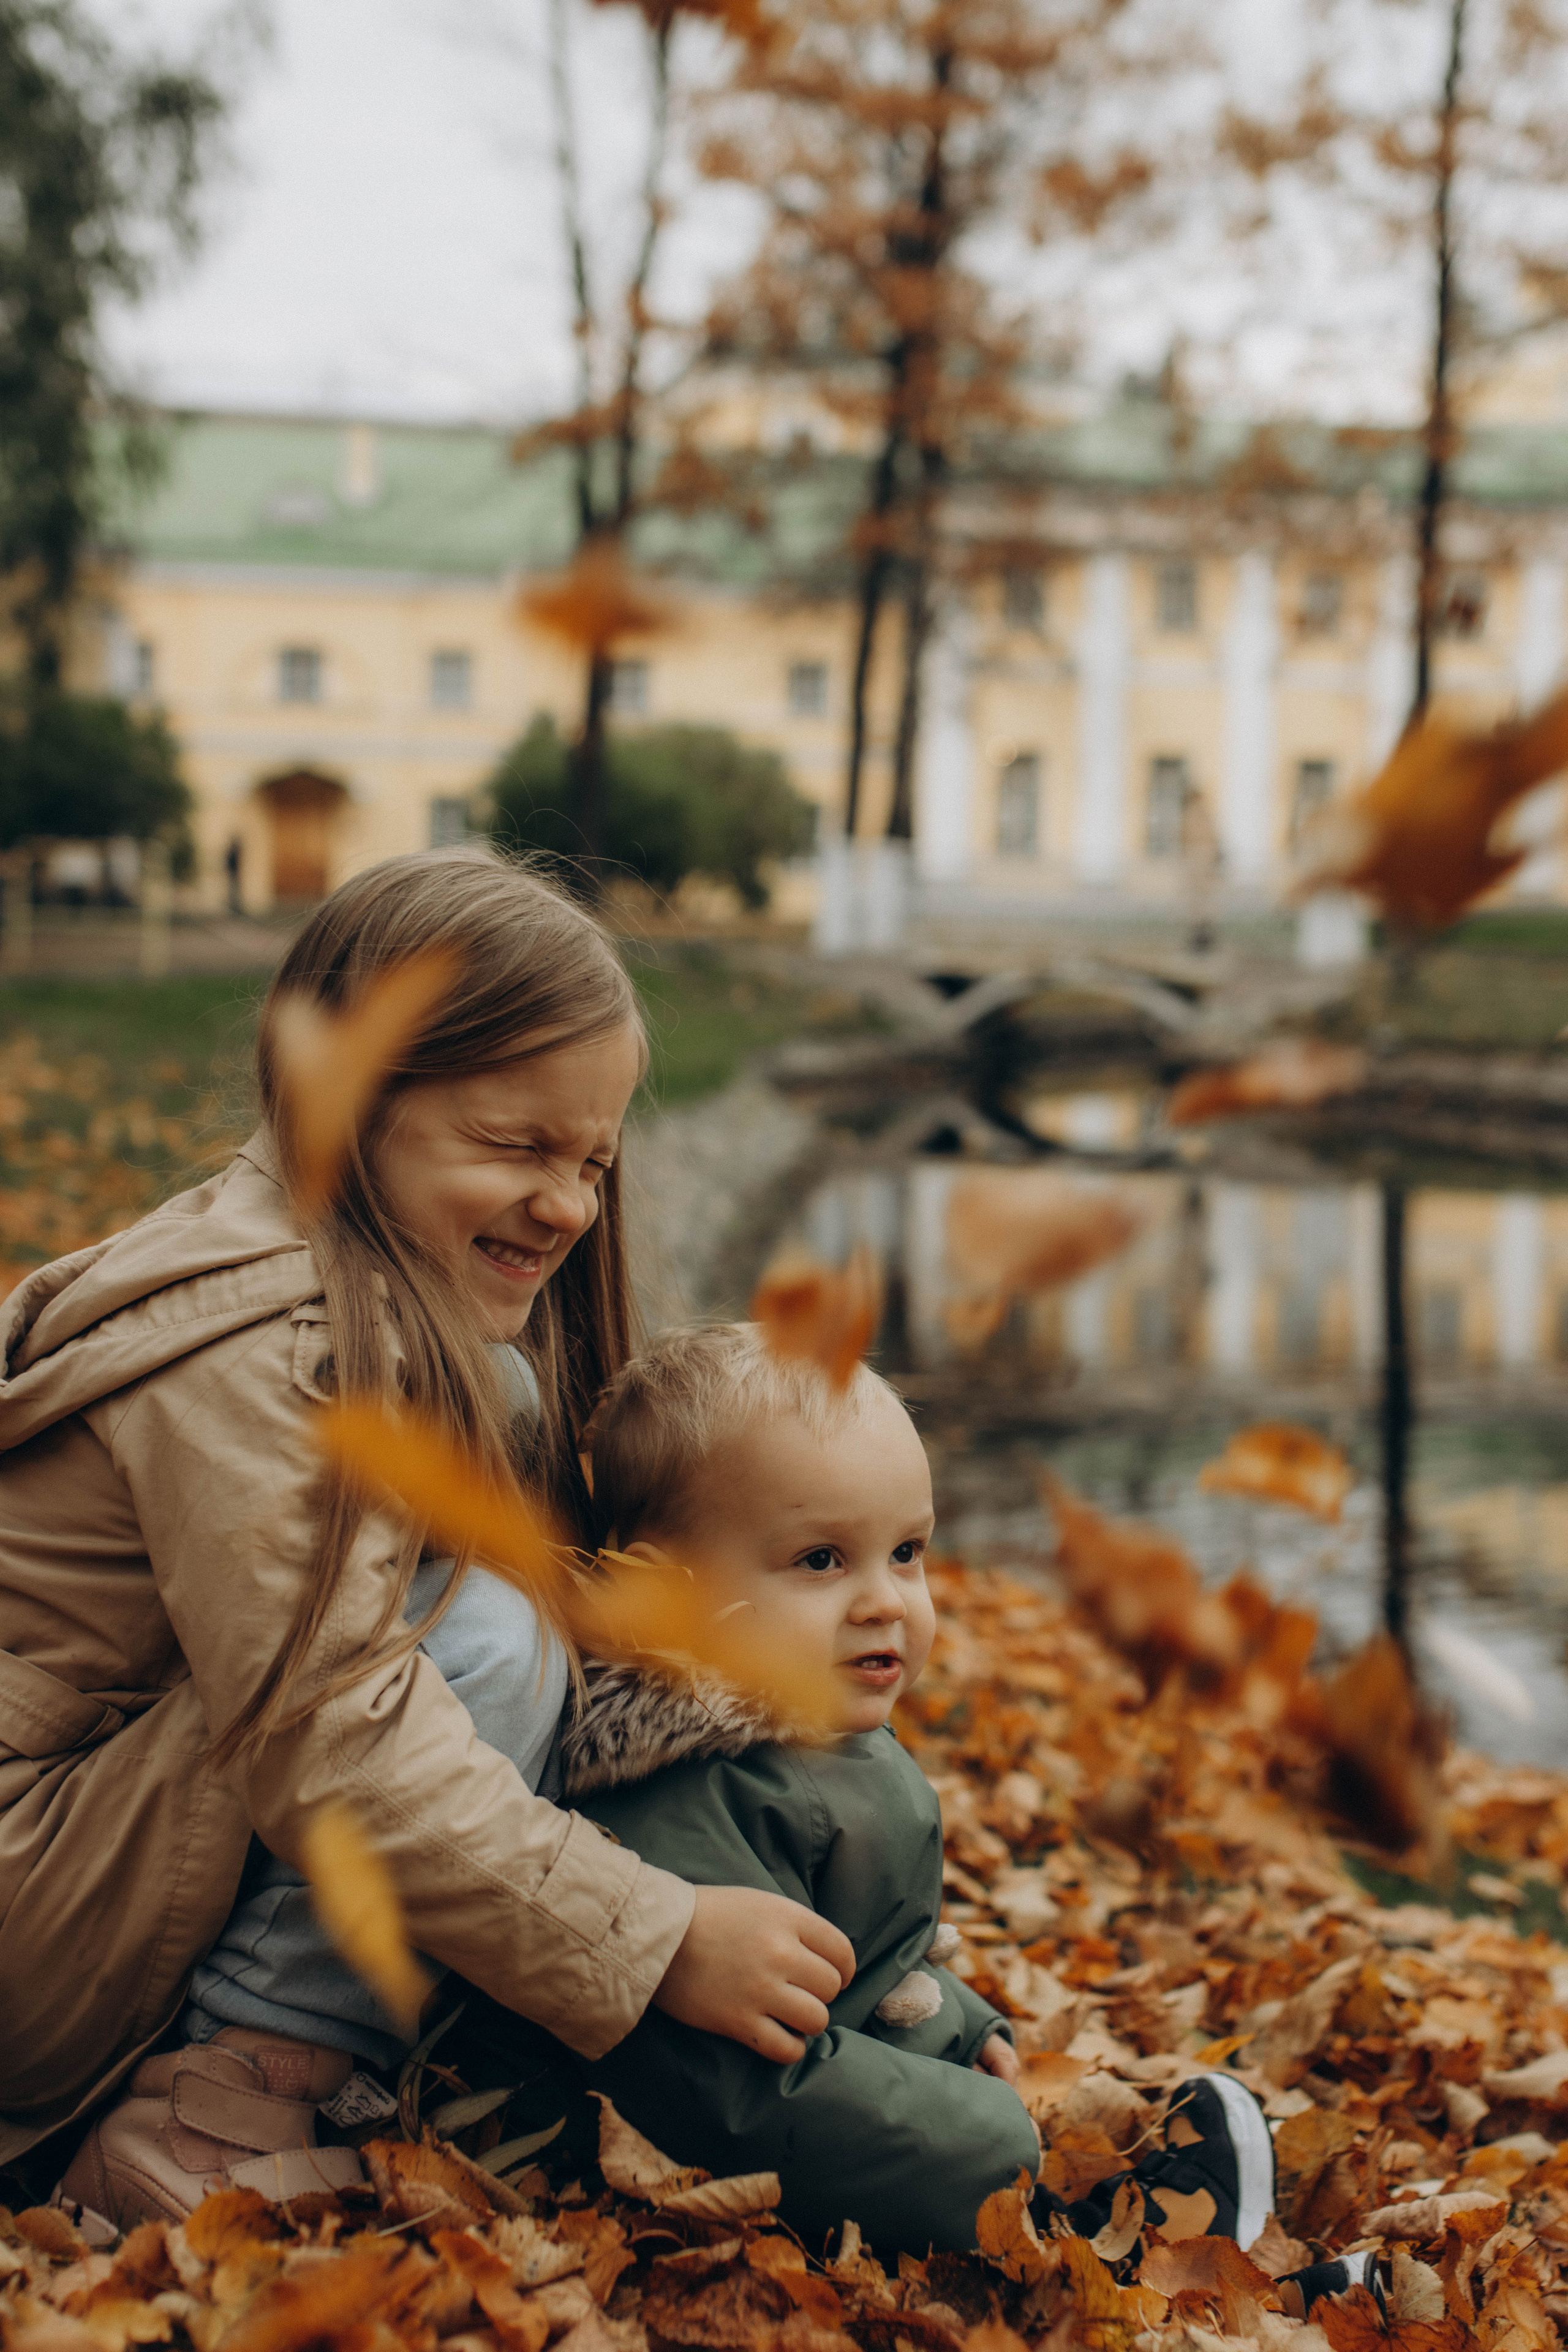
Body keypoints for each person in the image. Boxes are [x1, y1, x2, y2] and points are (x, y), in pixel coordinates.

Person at [0, 847, 853, 2224]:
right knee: (481, 1642)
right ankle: (211, 2114)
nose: (570, 1204)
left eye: (592, 1159)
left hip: (75, 1867)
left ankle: (325, 2064)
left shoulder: (390, 1320)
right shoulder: (270, 1358)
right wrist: (649, 1938)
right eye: (517, 1146)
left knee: (531, 1620)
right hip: (27, 1914)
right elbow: (334, 1740)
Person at [559, 1323, 1276, 2258]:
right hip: (740, 2125)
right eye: (821, 1560)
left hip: (825, 2084)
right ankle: (1104, 2250)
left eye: (906, 1552)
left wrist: (959, 2026)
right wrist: (976, 2134)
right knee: (994, 2158)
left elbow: (861, 1962)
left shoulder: (806, 1729)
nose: (886, 1601)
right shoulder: (689, 1793)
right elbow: (727, 2090)